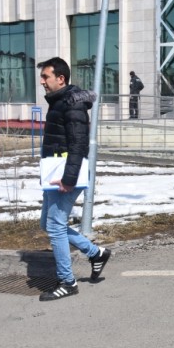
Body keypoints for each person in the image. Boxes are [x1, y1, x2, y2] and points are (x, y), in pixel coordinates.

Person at [36, 57, 110, 301]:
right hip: (55, 172)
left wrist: (68, 179)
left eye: (45, 77)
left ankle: (68, 282)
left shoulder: (72, 104)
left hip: (65, 175)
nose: (42, 82)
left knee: (55, 226)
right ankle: (95, 253)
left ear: (61, 79)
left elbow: (78, 144)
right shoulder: (59, 102)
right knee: (48, 223)